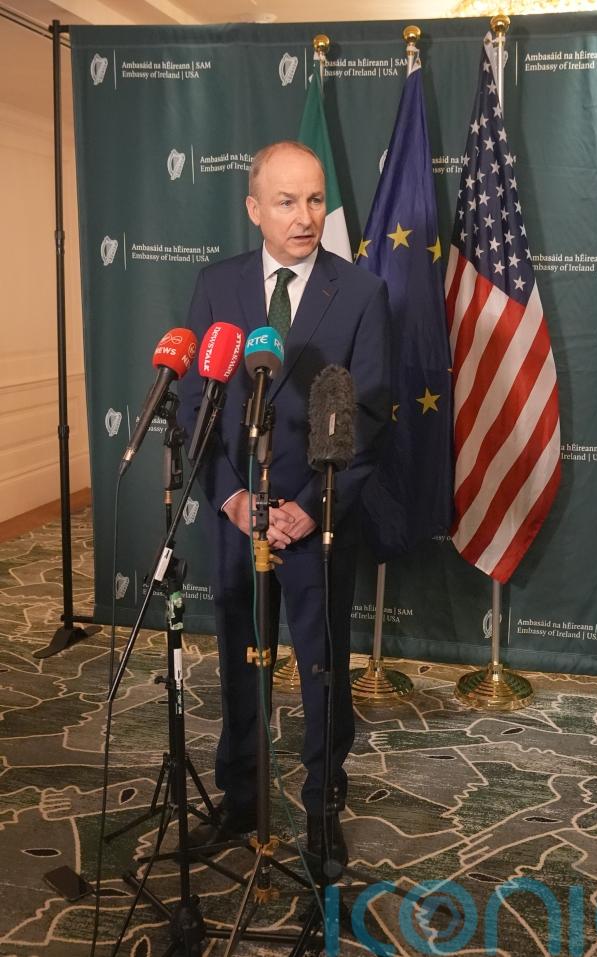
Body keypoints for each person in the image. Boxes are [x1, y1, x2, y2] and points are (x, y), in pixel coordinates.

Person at [178, 141, 391, 867]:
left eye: (315, 199)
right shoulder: (217, 286)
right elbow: (196, 407)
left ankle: (323, 808)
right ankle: (241, 799)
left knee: (322, 667)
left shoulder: (359, 292)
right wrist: (231, 496)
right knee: (242, 661)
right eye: (286, 201)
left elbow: (371, 416)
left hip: (318, 519)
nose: (305, 217)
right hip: (240, 521)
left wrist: (308, 506)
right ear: (254, 208)